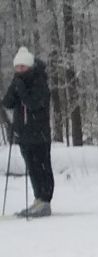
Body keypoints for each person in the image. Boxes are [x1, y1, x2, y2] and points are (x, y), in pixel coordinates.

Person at [3, 47, 54, 218]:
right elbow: (8, 103)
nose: (19, 71)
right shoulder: (19, 82)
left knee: (42, 166)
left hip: (39, 133)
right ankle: (37, 198)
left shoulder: (40, 82)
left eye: (22, 67)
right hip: (24, 134)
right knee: (32, 168)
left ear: (30, 66)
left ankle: (45, 199)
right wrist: (14, 87)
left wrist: (22, 90)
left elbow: (33, 104)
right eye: (17, 68)